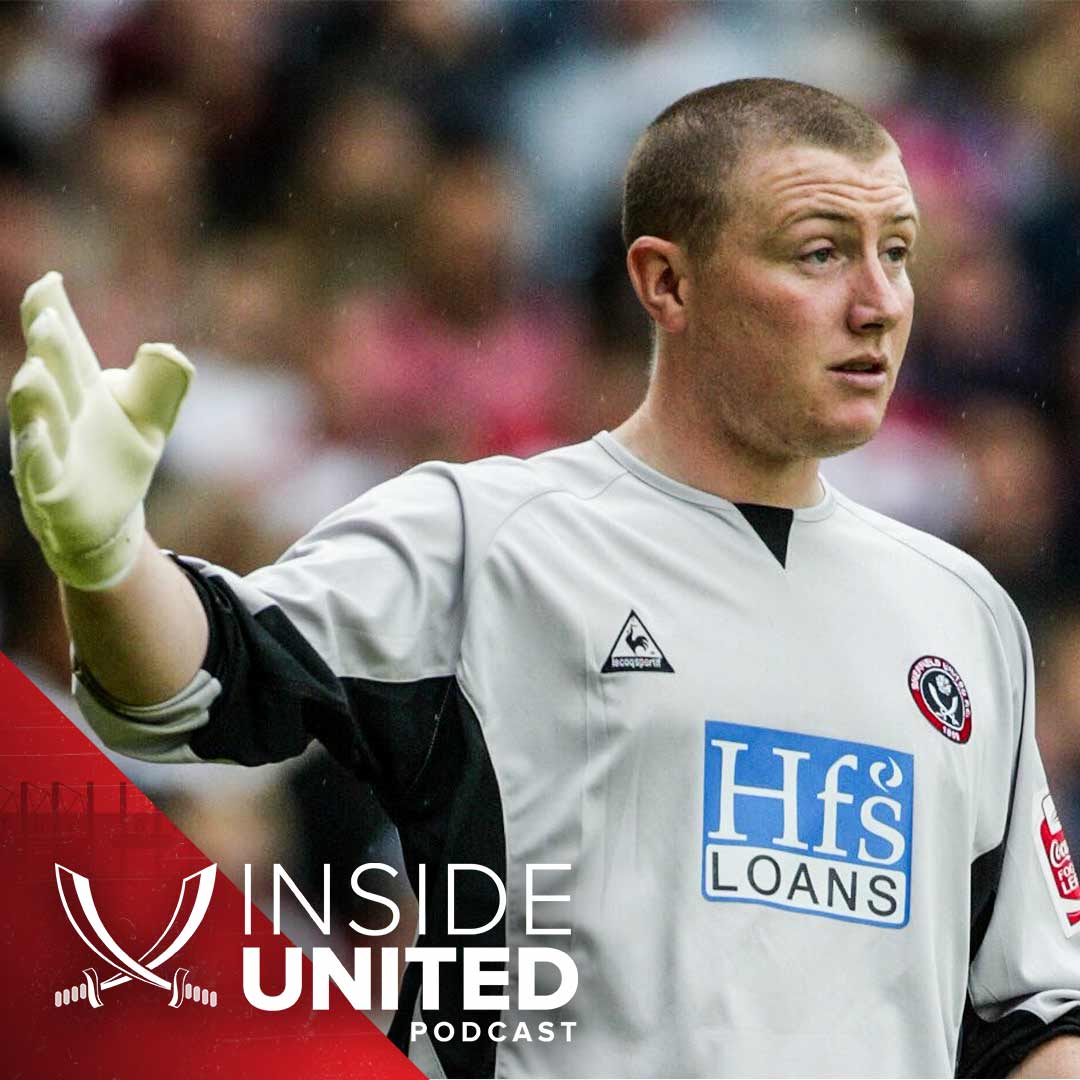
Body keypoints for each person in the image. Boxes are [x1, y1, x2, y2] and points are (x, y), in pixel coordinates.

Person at [8, 78, 1080, 1079]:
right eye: (820, 253)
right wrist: (106, 557)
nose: (880, 301)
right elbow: (196, 682)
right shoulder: (483, 538)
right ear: (667, 282)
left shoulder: (963, 612)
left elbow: (1032, 1013)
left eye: (898, 252)